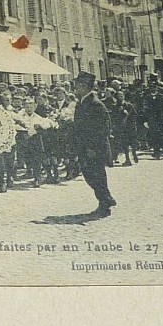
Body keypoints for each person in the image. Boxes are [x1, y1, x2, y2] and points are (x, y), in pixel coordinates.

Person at [72, 71, 116, 217]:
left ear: (84, 86)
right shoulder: (82, 103)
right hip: (85, 148)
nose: (75, 88)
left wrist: (92, 148)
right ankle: (107, 199)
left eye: (77, 85)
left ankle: (104, 204)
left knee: (97, 176)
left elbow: (104, 129)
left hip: (95, 149)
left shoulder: (96, 104)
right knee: (89, 175)